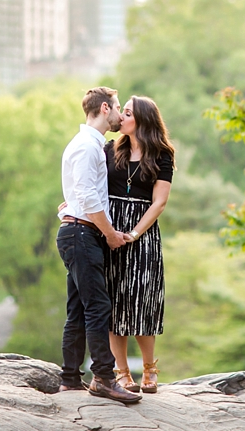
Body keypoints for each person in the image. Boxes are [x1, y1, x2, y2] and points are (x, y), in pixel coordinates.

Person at [56, 86, 141, 404]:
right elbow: (88, 196)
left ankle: (70, 379)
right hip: (82, 235)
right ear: (105, 108)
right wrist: (109, 233)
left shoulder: (92, 145)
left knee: (78, 308)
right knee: (97, 307)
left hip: (79, 231)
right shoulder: (86, 147)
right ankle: (104, 378)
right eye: (118, 108)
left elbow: (80, 194)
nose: (121, 114)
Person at [104, 96, 175, 394]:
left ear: (142, 120)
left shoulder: (162, 154)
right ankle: (122, 372)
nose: (121, 117)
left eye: (128, 113)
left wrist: (133, 233)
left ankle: (150, 368)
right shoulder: (111, 148)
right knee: (112, 300)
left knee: (144, 298)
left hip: (142, 230)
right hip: (109, 227)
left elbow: (159, 202)